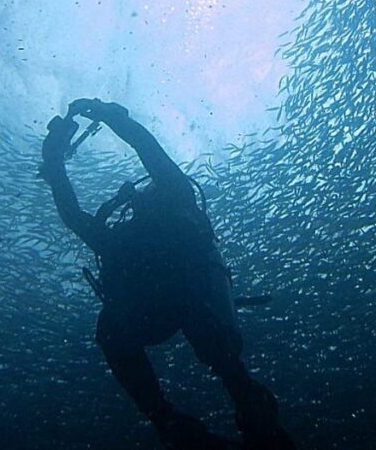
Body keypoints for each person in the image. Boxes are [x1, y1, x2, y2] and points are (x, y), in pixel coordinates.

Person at [40, 98, 297, 450]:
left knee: (124, 326)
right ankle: (211, 402)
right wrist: (106, 120)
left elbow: (77, 212)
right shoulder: (157, 215)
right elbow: (146, 153)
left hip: (190, 303)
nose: (143, 198)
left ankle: (184, 412)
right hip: (179, 309)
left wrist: (57, 160)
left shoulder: (155, 215)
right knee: (120, 326)